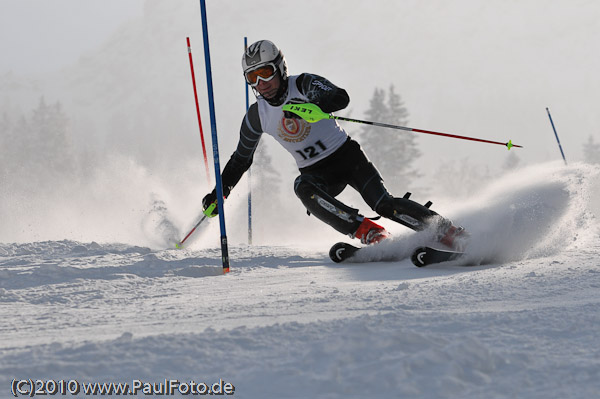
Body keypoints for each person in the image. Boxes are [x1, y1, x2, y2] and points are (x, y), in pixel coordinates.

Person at [202, 40, 464, 251]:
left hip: (347, 158)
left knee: (383, 204)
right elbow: (241, 159)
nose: (261, 84)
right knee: (302, 188)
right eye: (252, 78)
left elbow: (340, 98)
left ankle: (447, 232)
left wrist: (314, 107)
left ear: (280, 68)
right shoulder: (256, 116)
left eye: (265, 73)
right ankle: (371, 233)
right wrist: (220, 192)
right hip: (316, 173)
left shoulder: (302, 84)